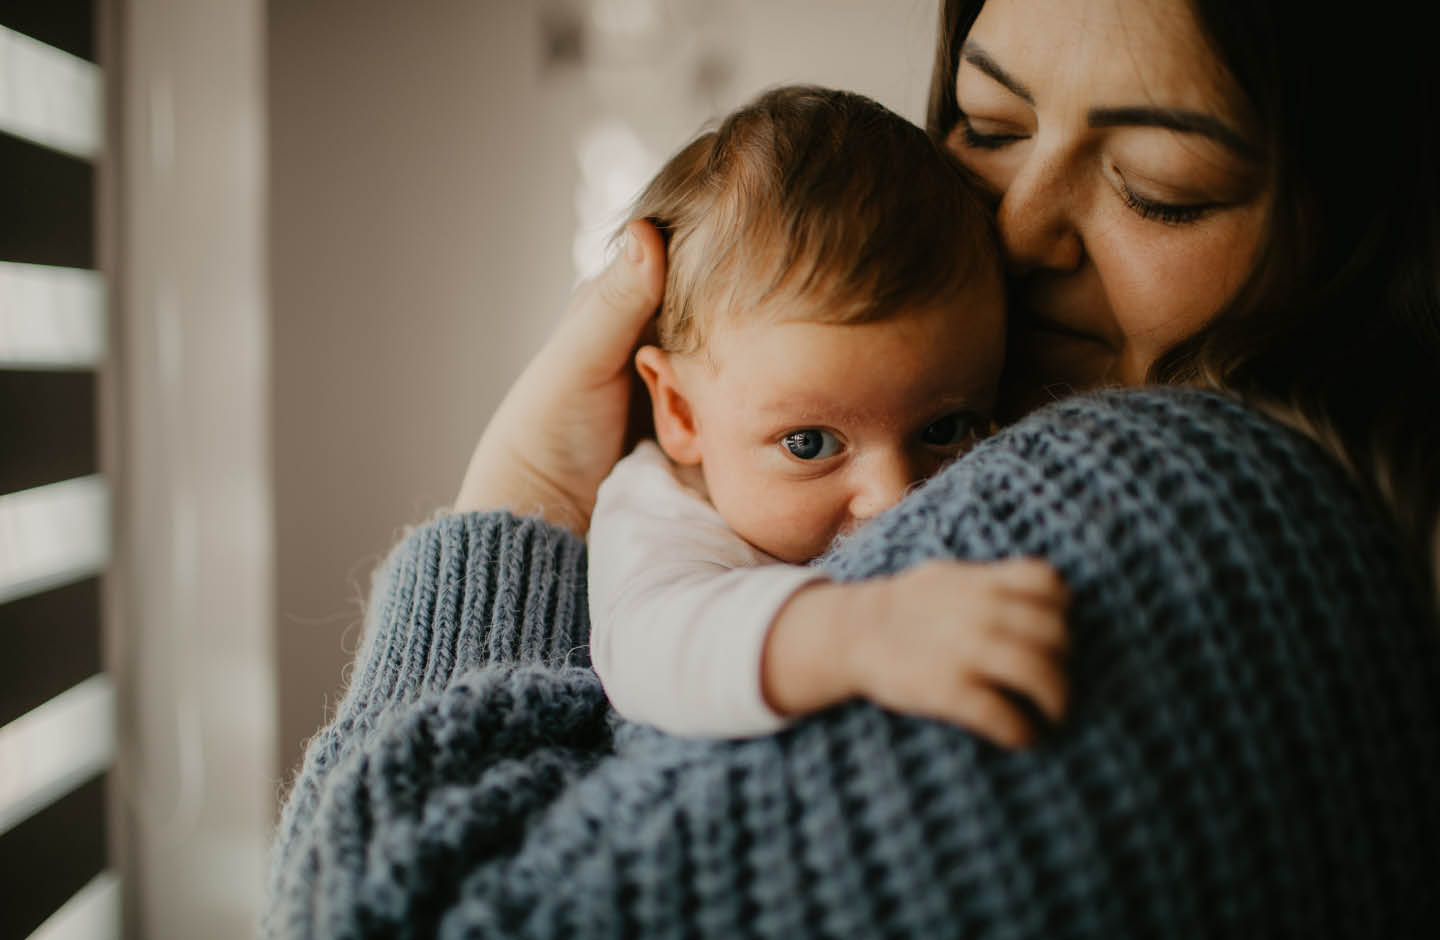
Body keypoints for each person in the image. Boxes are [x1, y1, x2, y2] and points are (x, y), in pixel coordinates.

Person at [265, 0, 1440, 936]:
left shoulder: (1189, 520)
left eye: (1158, 189)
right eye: (986, 125)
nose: (1018, 232)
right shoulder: (674, 510)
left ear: (1365, 232)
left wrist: (516, 494)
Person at [588, 85, 1070, 743]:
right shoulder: (660, 514)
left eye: (944, 430)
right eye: (810, 444)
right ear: (681, 413)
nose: (894, 498)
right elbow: (646, 649)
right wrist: (858, 632)